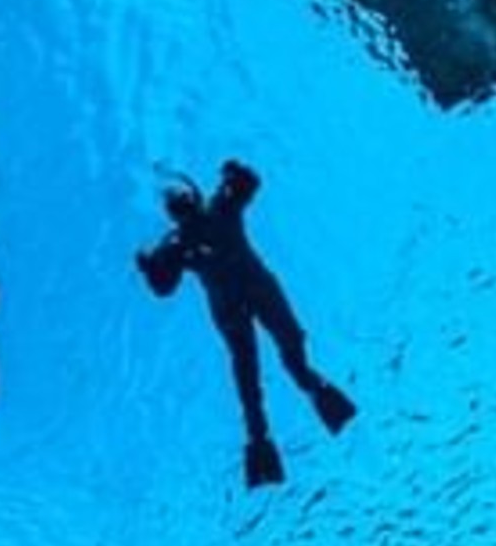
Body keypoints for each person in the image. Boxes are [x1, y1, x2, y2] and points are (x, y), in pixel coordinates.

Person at [137, 158, 355, 487]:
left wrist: (235, 174)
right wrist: (150, 268)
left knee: (277, 357)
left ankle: (301, 398)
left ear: (193, 196)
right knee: (255, 371)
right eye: (175, 204)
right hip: (246, 297)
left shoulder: (209, 217)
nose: (181, 206)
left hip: (245, 297)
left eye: (180, 198)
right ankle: (271, 429)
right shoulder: (183, 241)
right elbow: (163, 286)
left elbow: (249, 182)